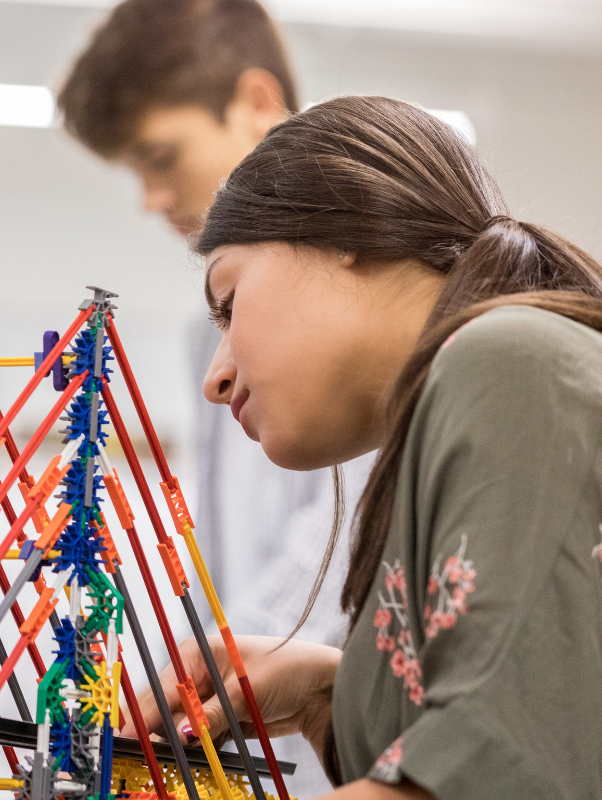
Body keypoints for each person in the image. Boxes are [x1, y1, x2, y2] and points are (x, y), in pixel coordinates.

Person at [143, 94, 602, 799]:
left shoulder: (511, 358)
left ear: (341, 226)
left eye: (230, 305)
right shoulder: (445, 419)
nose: (216, 375)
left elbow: (500, 765)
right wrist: (326, 695)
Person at [57, 2, 366, 792]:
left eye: (160, 156)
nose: (152, 197)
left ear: (257, 103)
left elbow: (339, 546)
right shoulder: (209, 336)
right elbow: (219, 543)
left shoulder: (371, 293)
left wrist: (206, 679)